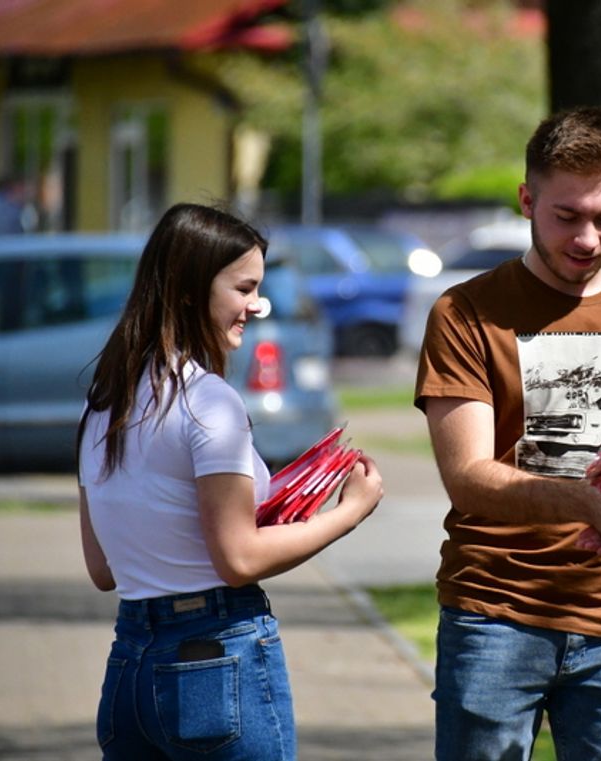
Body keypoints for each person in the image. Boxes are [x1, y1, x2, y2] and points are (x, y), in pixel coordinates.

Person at [415, 106, 601, 761]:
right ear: (528, 199)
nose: (587, 237)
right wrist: (587, 501)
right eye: (567, 216)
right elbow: (468, 478)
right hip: (495, 615)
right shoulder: (466, 312)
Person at [77, 202, 384, 760]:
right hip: (213, 659)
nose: (257, 306)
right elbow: (238, 560)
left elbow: (103, 569)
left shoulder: (105, 403)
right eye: (244, 289)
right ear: (193, 288)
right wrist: (350, 512)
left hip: (130, 666)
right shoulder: (207, 402)